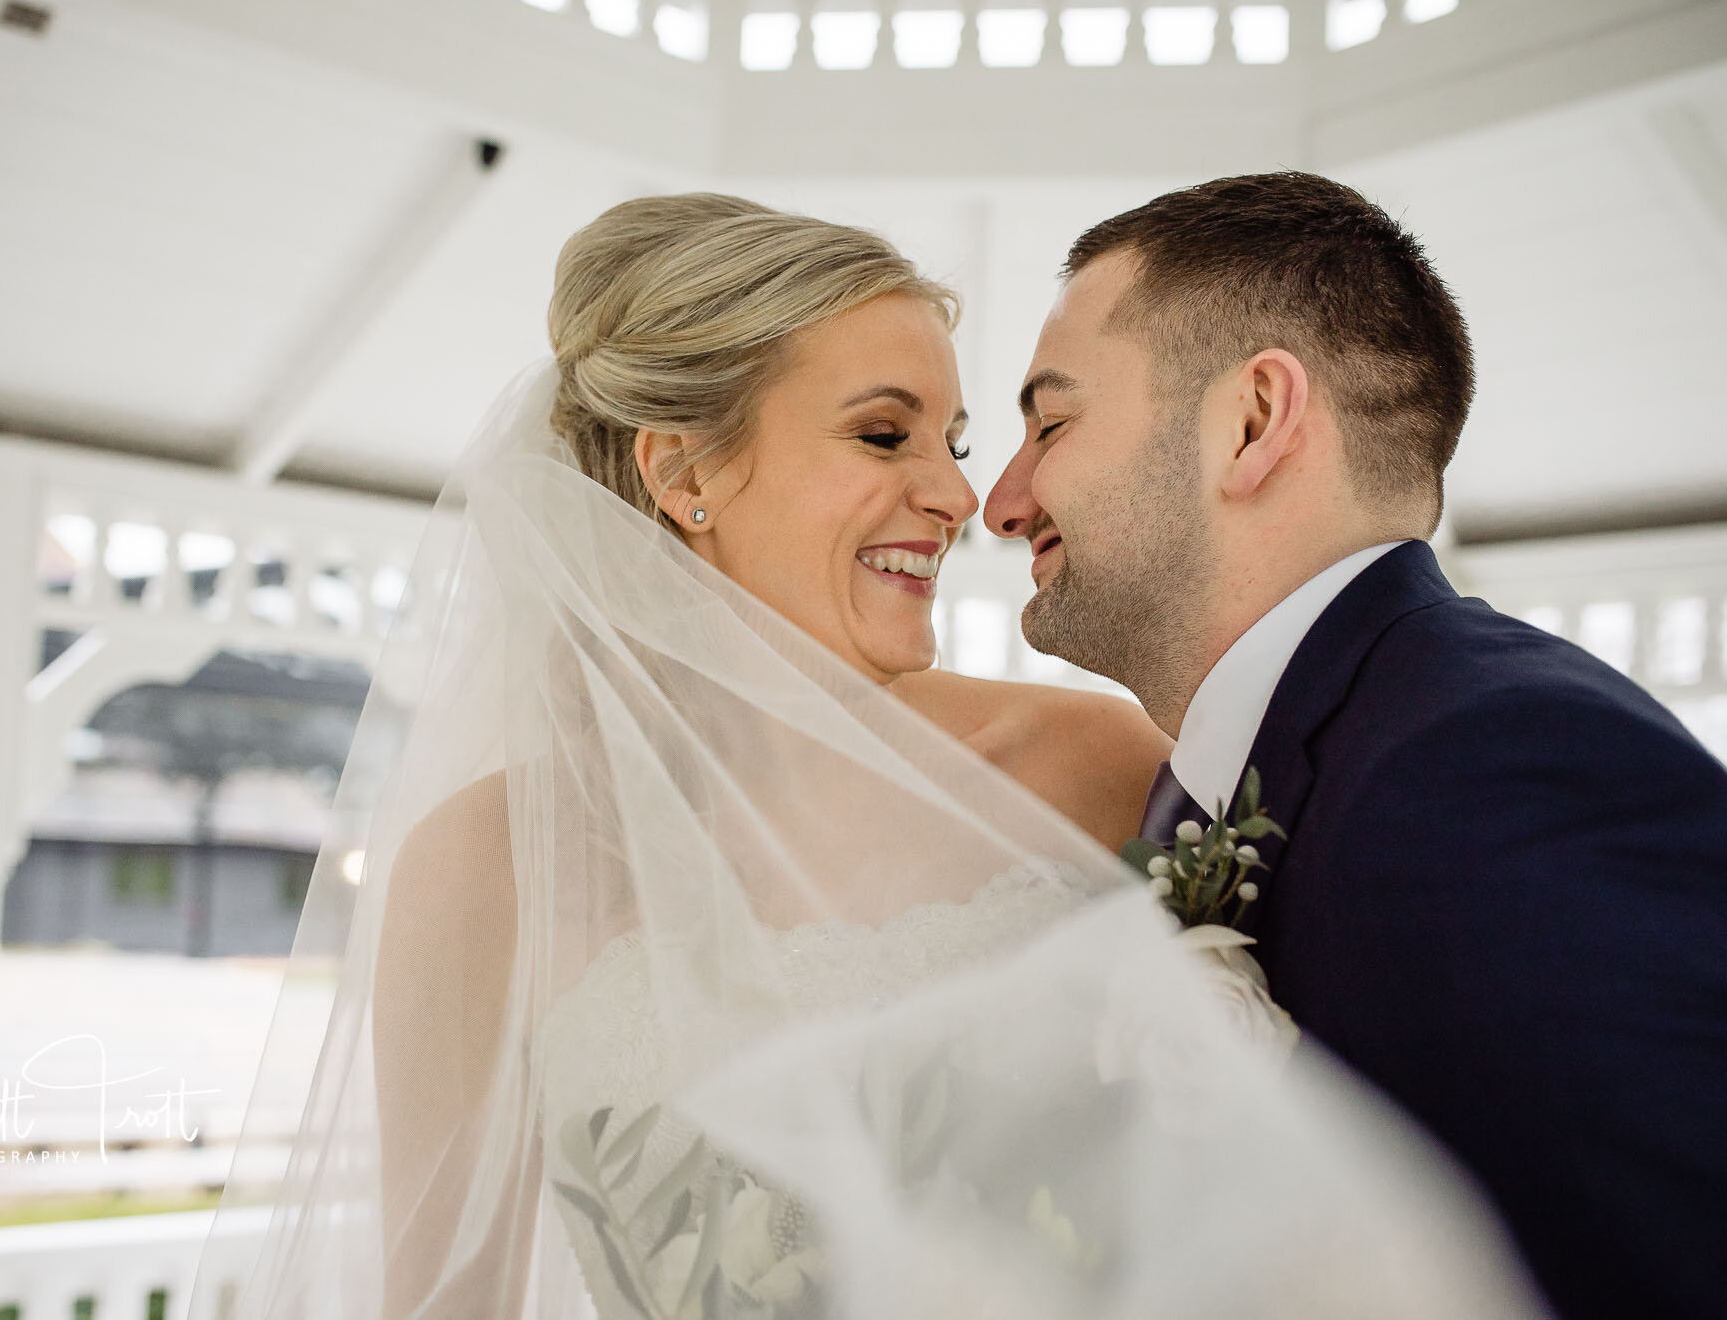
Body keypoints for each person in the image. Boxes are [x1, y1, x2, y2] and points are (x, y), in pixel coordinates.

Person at [193, 192, 1546, 1320]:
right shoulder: (484, 866)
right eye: (883, 434)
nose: (964, 496)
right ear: (685, 474)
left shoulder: (1095, 765)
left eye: (955, 445)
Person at [984, 170, 1727, 1320]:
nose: (1003, 497)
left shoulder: (1502, 766)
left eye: (1050, 422)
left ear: (1249, 422)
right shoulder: (1202, 793)